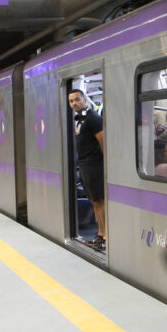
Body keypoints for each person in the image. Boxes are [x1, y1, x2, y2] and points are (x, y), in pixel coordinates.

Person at [67, 88, 106, 249]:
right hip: (85, 165)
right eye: (71, 101)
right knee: (94, 201)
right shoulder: (81, 120)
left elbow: (103, 141)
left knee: (101, 201)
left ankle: (106, 236)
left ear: (84, 100)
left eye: (77, 99)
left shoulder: (93, 118)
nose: (74, 103)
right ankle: (100, 233)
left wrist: (105, 164)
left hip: (94, 165)